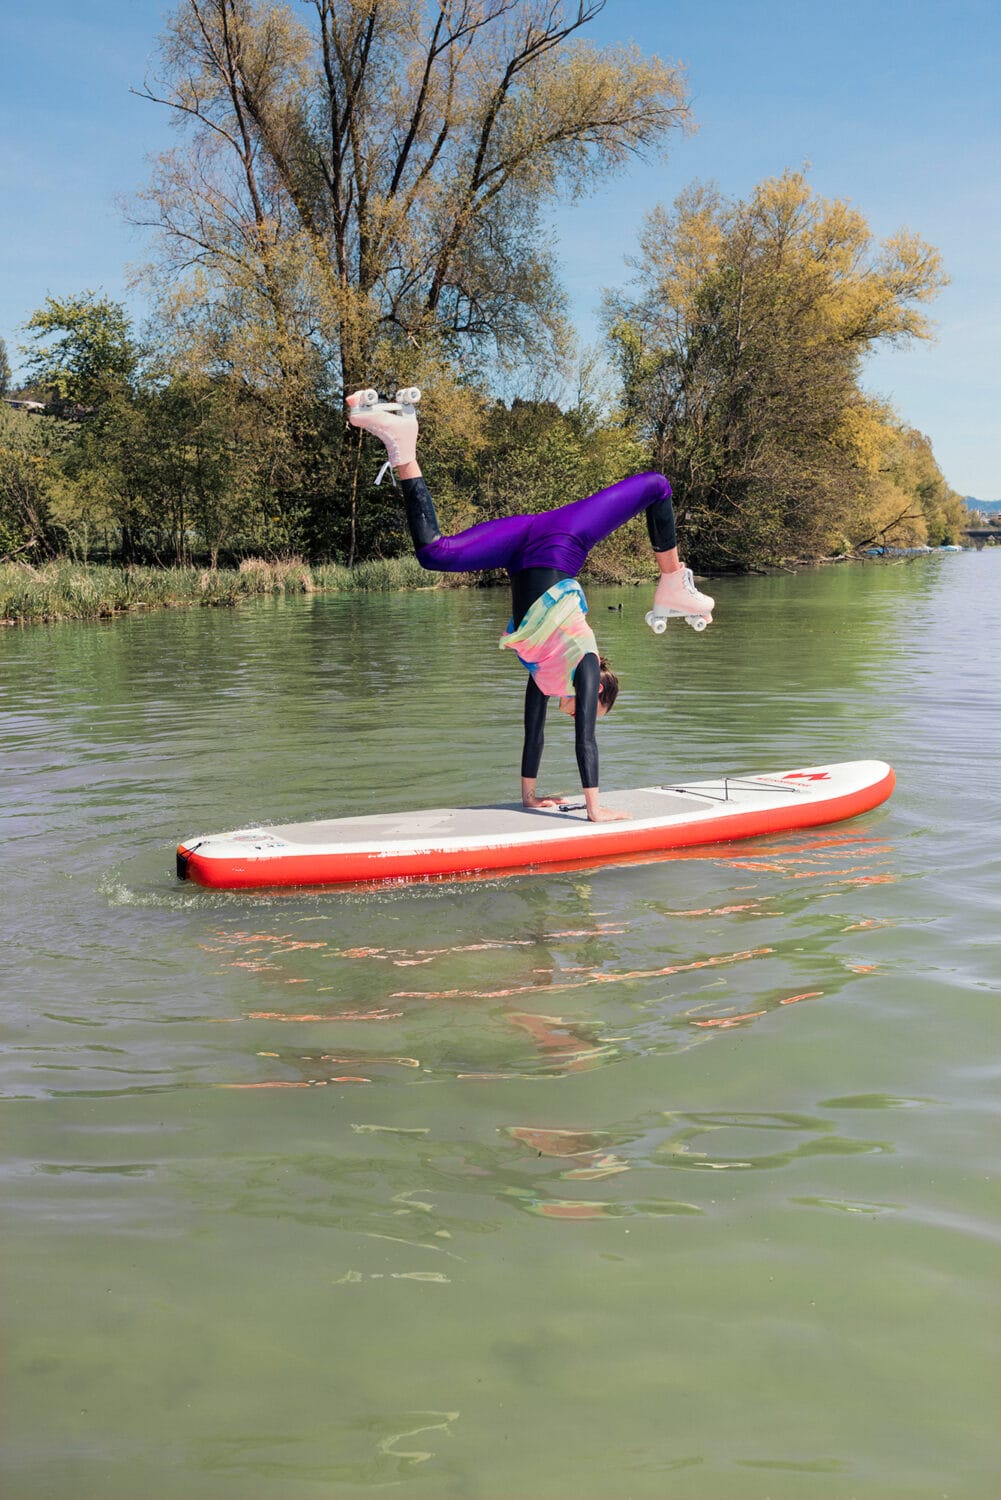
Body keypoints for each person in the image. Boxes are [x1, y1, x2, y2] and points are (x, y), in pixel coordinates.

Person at [347, 391, 714, 823]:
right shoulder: (586, 664)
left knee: (434, 555)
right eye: (588, 710)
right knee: (656, 485)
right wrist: (596, 811)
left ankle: (402, 445)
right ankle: (672, 579)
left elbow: (533, 733)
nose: (579, 716)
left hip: (520, 544)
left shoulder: (545, 672)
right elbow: (586, 744)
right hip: (563, 539)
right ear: (596, 691)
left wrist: (529, 798)